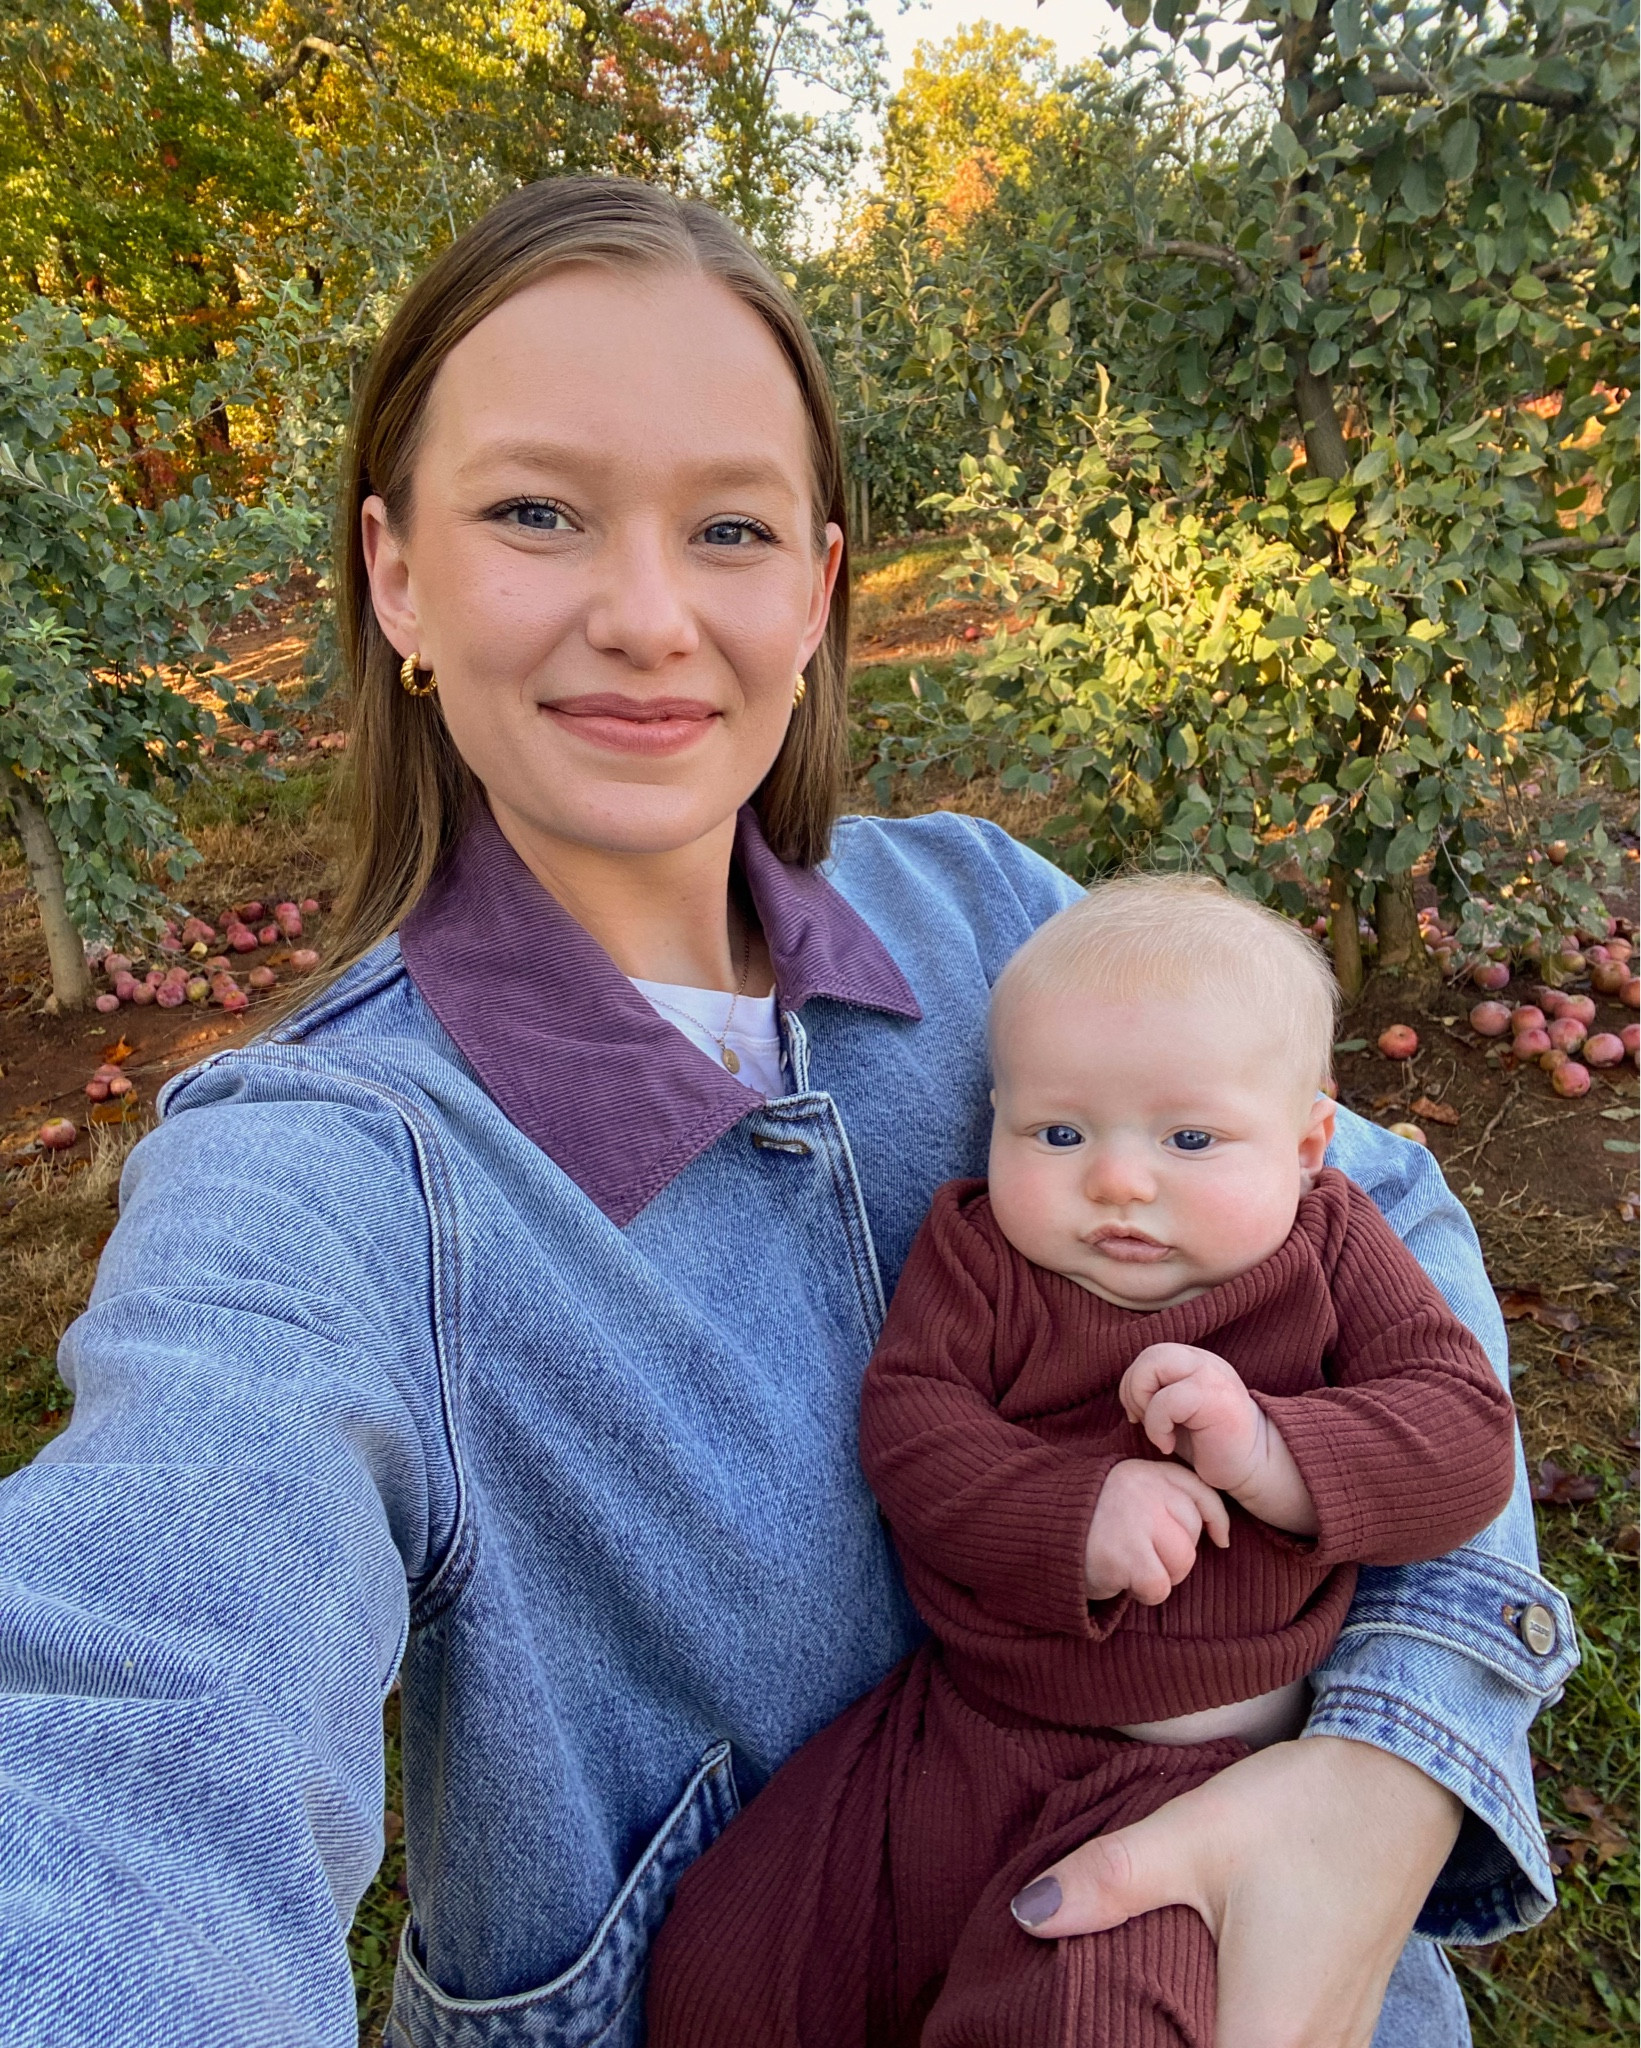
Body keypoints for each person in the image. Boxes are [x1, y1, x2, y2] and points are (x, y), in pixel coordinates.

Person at [0, 179, 1572, 2048]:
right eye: (533, 512)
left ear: (816, 589)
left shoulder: (995, 921)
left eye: (729, 527)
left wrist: (1392, 1763)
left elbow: (1388, 1216)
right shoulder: (327, 1171)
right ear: (395, 572)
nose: (646, 615)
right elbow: (137, 1712)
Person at [645, 876, 1519, 2047]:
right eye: (1057, 1133)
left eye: (1190, 1138)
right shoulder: (982, 1255)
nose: (1117, 1179)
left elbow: (1463, 1431)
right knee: (732, 1952)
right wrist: (1072, 1510)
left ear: (1310, 1142)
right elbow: (914, 1424)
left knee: (1086, 2008)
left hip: (1196, 1787)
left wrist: (1275, 1451)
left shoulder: (1333, 1246)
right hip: (963, 1724)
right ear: (996, 1116)